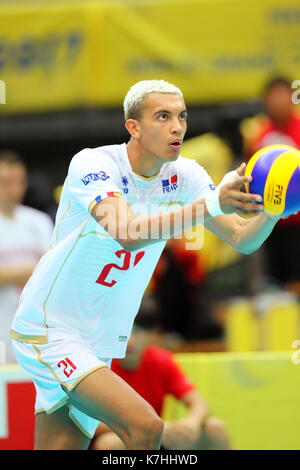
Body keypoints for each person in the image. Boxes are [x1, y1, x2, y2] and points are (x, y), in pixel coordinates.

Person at [10, 80, 284, 450]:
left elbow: (241, 238)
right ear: (133, 127)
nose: (178, 126)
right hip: (50, 327)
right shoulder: (94, 164)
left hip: (97, 341)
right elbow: (126, 231)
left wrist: (273, 209)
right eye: (163, 116)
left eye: (182, 116)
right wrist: (213, 204)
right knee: (146, 428)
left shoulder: (184, 176)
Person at [91, 296, 232, 450]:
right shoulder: (100, 363)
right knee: (110, 444)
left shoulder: (161, 361)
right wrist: (155, 426)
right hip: (126, 435)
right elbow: (93, 424)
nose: (130, 341)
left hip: (158, 436)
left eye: (137, 332)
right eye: (124, 333)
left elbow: (199, 403)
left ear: (152, 334)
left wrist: (191, 423)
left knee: (214, 428)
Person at [243, 76, 300, 293]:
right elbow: (250, 174)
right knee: (276, 282)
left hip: (298, 221)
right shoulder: (257, 134)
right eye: (273, 96)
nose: (278, 101)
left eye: (282, 95)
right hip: (270, 223)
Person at [0, 150, 53, 364]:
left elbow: (54, 271)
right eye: (5, 181)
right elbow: (45, 267)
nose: (11, 188)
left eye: (17, 181)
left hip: (34, 329)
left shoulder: (39, 222)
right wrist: (34, 269)